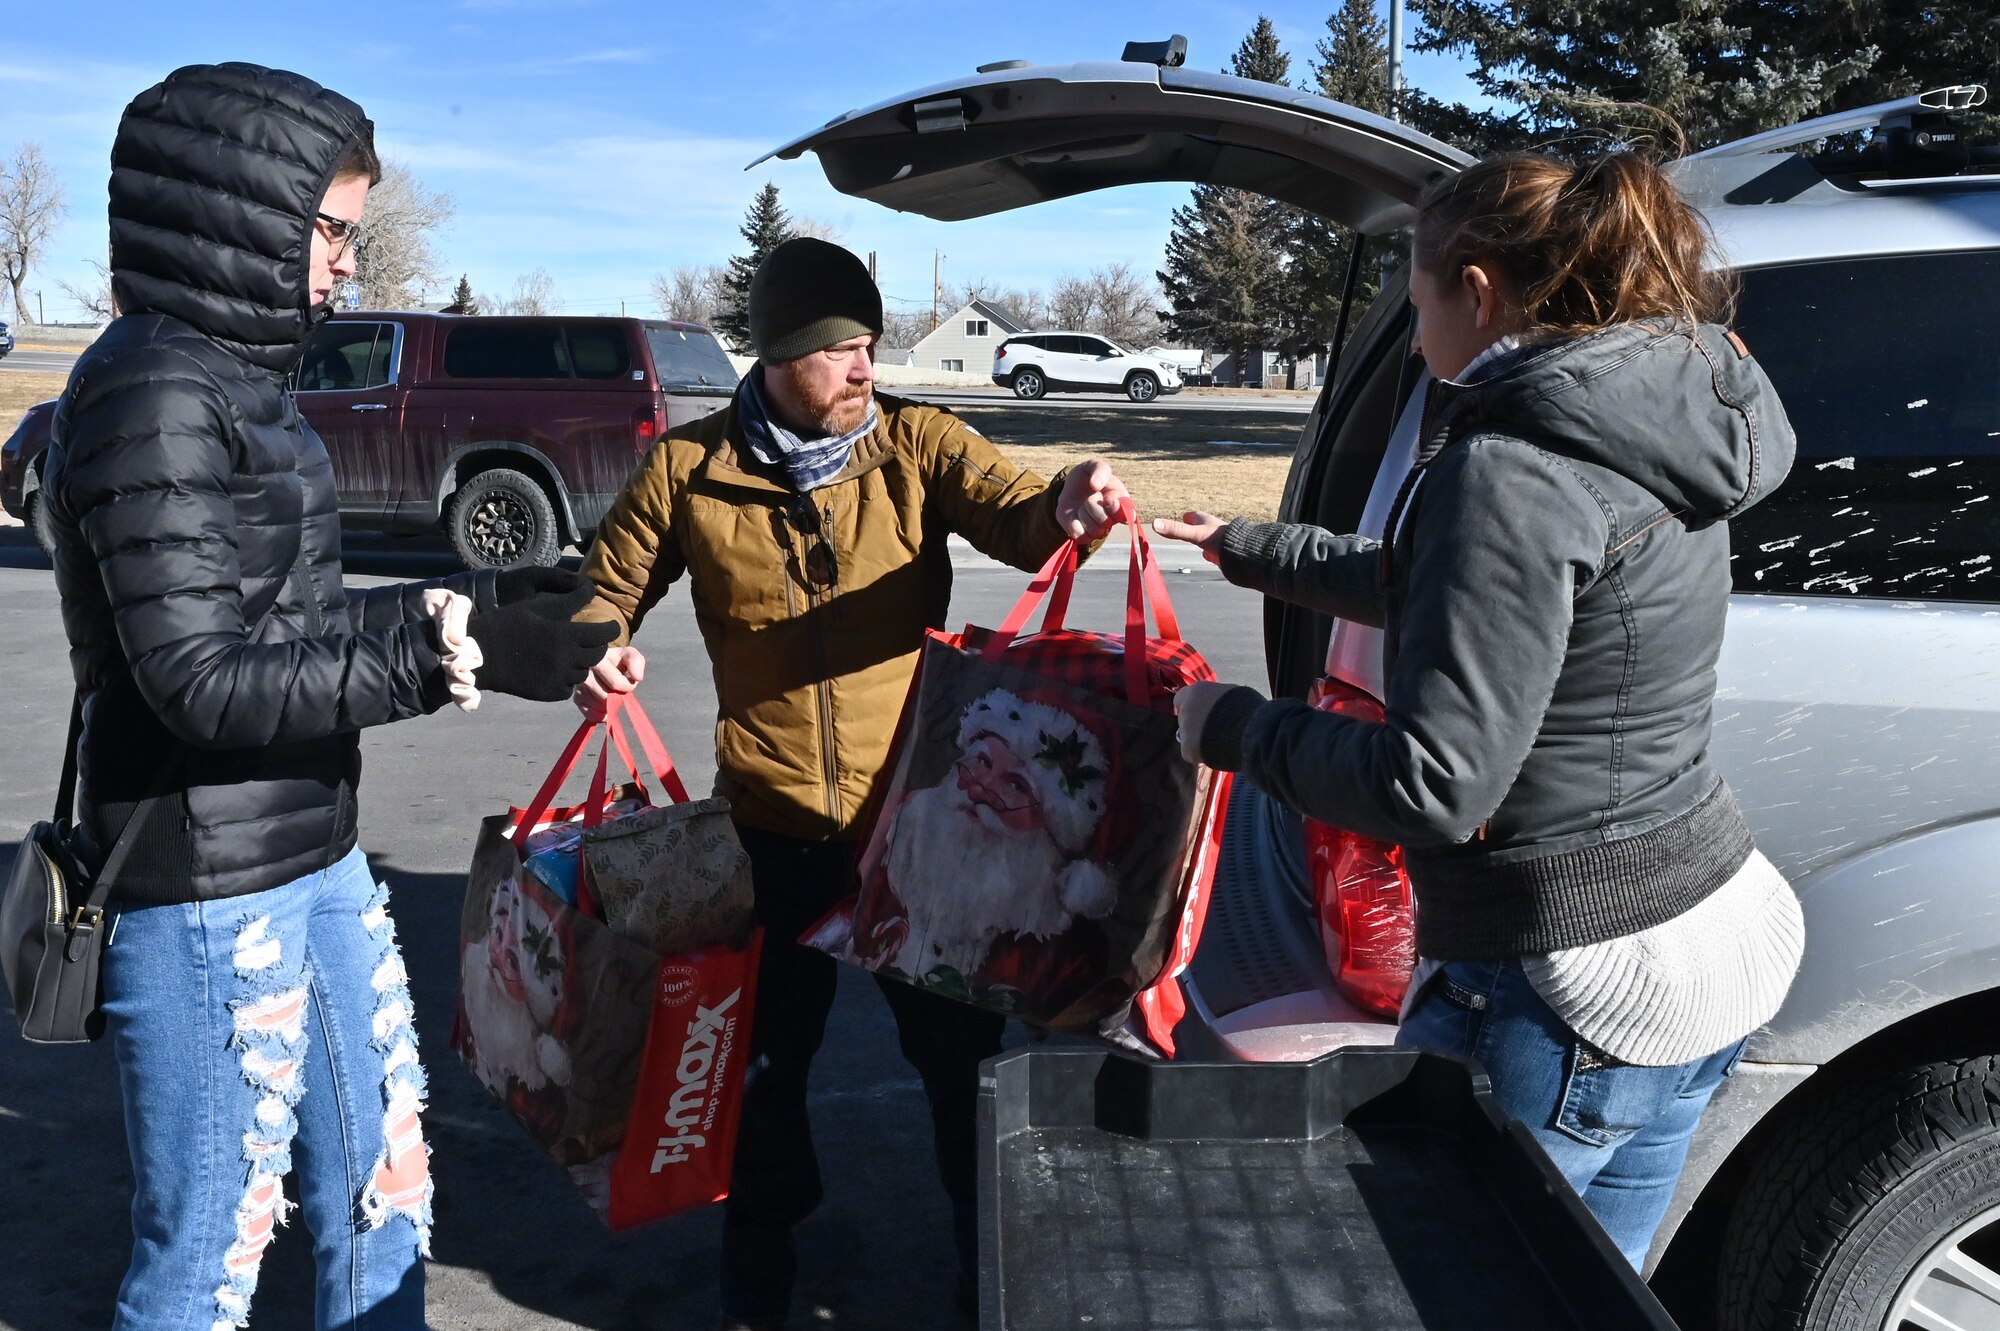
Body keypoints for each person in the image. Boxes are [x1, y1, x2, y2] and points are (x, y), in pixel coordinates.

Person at [42, 62, 616, 1330]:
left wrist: (498, 608)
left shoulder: (236, 379)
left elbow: (290, 625)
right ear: (236, 210)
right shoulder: (154, 391)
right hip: (202, 897)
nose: (346, 267)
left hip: (313, 852)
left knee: (382, 1198)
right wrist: (435, 654)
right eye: (332, 230)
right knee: (206, 1257)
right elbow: (199, 682)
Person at [1159, 148, 1807, 1267]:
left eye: (1415, 305)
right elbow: (1464, 584)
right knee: (1587, 1292)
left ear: (1475, 290)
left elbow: (1432, 785)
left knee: (1443, 1282)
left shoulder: (1513, 463)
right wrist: (1249, 550)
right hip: (1710, 934)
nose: (1413, 343)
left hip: (1570, 984)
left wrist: (1222, 728)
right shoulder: (1655, 412)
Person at [571, 235, 1131, 1329]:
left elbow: (1019, 516)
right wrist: (592, 645)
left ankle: (988, 1265)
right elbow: (603, 586)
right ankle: (759, 1270)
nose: (865, 368)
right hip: (768, 829)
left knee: (957, 1061)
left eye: (871, 345)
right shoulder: (688, 472)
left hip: (917, 827)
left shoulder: (917, 444)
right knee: (762, 1072)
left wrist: (1068, 497)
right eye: (840, 351)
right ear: (781, 354)